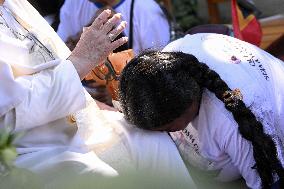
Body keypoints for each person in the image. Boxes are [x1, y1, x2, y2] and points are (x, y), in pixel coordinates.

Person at [0, 0, 196, 187]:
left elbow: (55, 57)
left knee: (153, 140)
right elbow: (9, 115)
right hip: (28, 148)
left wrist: (92, 100)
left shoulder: (10, 4)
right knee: (102, 179)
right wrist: (81, 61)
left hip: (72, 114)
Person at [119, 33, 284, 189]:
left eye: (166, 129)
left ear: (189, 106)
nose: (163, 134)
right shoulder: (166, 65)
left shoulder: (235, 125)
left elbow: (270, 183)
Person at [57, 0, 170, 55]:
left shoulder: (147, 11)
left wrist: (119, 88)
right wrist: (89, 29)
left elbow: (159, 69)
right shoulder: (73, 3)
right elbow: (58, 53)